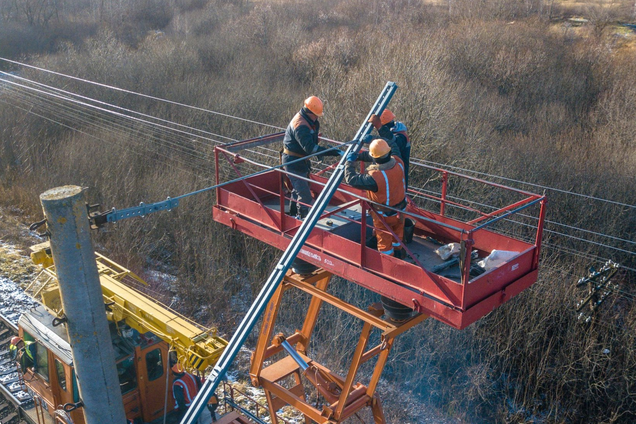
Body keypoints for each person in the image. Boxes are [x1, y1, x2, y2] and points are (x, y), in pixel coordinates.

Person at [344, 138, 407, 259]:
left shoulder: (375, 177)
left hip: (384, 216)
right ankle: (399, 253)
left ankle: (388, 262)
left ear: (374, 158)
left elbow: (351, 179)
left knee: (384, 240)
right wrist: (373, 139)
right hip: (401, 211)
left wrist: (350, 163)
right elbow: (393, 146)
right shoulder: (399, 162)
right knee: (397, 234)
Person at [282, 95, 343, 219]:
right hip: (293, 162)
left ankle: (292, 214)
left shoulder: (308, 120)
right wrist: (329, 151)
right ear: (310, 112)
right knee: (304, 194)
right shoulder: (301, 125)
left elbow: (311, 143)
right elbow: (310, 148)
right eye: (316, 115)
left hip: (300, 161)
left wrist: (323, 149)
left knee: (299, 189)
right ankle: (302, 219)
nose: (317, 118)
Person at [368, 109, 411, 188]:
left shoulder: (401, 136)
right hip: (392, 169)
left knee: (397, 191)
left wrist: (380, 128)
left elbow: (393, 143)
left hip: (398, 172)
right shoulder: (394, 131)